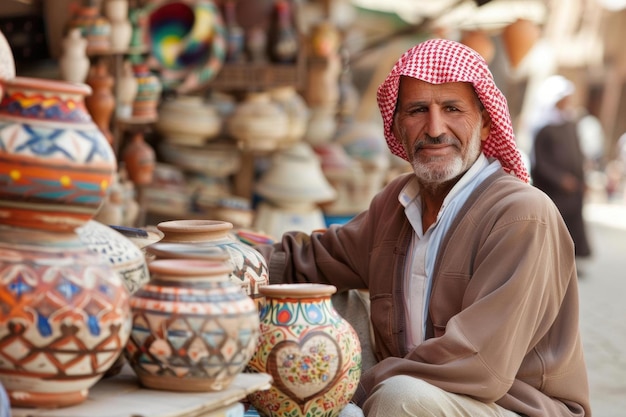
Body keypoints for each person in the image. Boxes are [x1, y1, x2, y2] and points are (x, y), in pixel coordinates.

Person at [255, 38, 590, 417]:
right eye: (417, 110)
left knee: (399, 398)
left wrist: (349, 392)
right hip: (411, 385)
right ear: (398, 126)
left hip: (510, 405)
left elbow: (477, 364)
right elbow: (309, 261)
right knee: (319, 303)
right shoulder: (396, 202)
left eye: (452, 109)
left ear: (484, 124)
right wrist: (231, 259)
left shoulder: (522, 215)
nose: (434, 128)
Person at [529, 75, 593, 266]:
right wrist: (560, 179)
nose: (567, 102)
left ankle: (566, 261)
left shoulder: (570, 125)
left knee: (571, 225)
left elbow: (578, 154)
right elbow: (540, 162)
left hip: (572, 189)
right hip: (553, 190)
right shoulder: (544, 128)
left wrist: (583, 180)